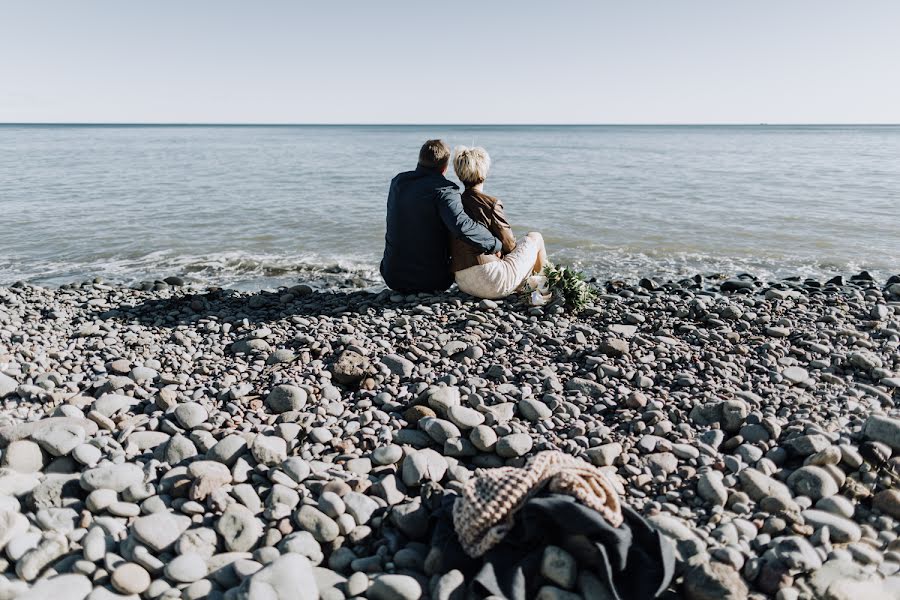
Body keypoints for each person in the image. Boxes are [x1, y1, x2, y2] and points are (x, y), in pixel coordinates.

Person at [380, 140, 501, 292]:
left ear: (419, 160)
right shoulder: (445, 190)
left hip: (392, 277)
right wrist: (494, 243)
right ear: (445, 167)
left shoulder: (398, 182)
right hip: (432, 281)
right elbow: (462, 227)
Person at [450, 146, 547, 299]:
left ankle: (531, 285)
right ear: (484, 173)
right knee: (535, 237)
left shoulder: (453, 204)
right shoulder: (491, 203)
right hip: (491, 281)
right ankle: (543, 289)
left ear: (459, 173)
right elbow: (509, 245)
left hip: (463, 281)